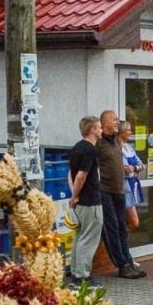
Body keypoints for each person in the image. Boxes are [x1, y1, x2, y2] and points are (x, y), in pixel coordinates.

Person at [96, 109, 143, 278]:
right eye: (115, 120)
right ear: (105, 123)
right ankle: (121, 265)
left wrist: (133, 168)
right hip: (105, 191)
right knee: (112, 228)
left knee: (122, 227)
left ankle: (128, 260)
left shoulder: (116, 141)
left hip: (119, 190)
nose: (118, 122)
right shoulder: (99, 142)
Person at [66, 115, 105, 284]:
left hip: (80, 201)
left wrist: (73, 196)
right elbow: (81, 175)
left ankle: (75, 271)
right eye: (99, 127)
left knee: (79, 236)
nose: (101, 130)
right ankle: (82, 276)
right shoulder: (90, 150)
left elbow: (71, 174)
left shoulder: (76, 148)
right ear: (92, 130)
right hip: (90, 201)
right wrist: (75, 195)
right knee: (89, 238)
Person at [119, 120, 145, 229]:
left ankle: (123, 242)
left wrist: (134, 168)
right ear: (121, 131)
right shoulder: (116, 148)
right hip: (123, 187)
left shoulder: (129, 147)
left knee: (128, 222)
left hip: (132, 186)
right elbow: (124, 169)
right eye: (128, 130)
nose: (130, 132)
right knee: (134, 222)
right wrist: (133, 170)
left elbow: (142, 166)